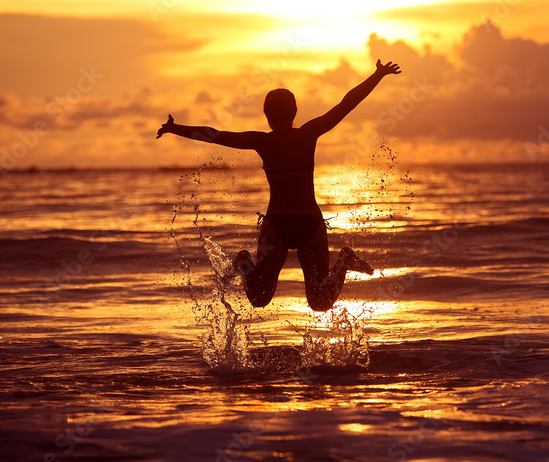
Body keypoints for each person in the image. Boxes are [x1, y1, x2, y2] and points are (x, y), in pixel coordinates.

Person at [156, 59, 402, 311]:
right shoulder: (308, 133)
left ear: (266, 114)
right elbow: (346, 104)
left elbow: (214, 135)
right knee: (320, 303)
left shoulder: (263, 141)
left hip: (278, 225)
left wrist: (176, 128)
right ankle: (343, 263)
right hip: (310, 224)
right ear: (295, 111)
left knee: (259, 298)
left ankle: (244, 262)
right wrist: (377, 75)